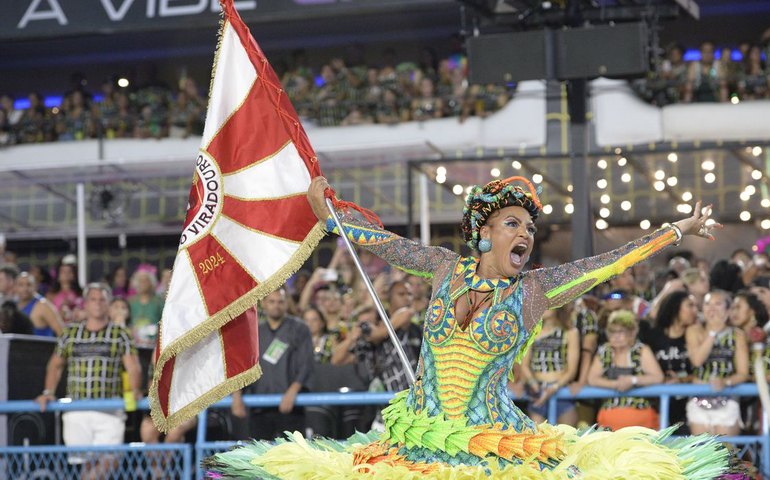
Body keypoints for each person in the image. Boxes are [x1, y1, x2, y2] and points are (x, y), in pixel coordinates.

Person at [207, 176, 732, 478]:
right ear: (483, 232)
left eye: (529, 228)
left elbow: (608, 263)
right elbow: (381, 242)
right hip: (412, 447)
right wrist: (328, 212)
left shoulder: (532, 290)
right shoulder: (441, 268)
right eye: (513, 224)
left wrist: (675, 232)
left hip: (492, 451)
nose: (525, 233)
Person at [36, 283, 142, 479]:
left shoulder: (120, 334)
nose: (98, 304)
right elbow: (55, 365)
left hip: (109, 407)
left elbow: (133, 366)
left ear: (109, 303)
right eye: (93, 299)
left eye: (102, 299)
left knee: (112, 458)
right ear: (85, 303)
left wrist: (135, 389)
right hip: (77, 408)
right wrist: (47, 392)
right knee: (87, 463)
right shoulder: (70, 333)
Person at [232, 289, 314, 440]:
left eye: (281, 302)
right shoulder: (254, 331)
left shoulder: (300, 329)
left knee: (293, 456)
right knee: (260, 457)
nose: (276, 305)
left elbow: (306, 364)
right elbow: (241, 365)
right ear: (263, 304)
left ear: (286, 304)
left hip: (291, 407)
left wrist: (292, 392)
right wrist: (236, 396)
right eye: (272, 301)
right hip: (259, 407)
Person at [587, 310, 664, 431]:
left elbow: (658, 377)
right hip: (609, 416)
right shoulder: (605, 351)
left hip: (640, 415)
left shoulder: (641, 350)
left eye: (621, 332)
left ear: (632, 333)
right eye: (612, 332)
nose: (616, 336)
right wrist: (615, 384)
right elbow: (592, 378)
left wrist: (632, 380)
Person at [686, 290, 749, 436]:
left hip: (727, 397)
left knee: (725, 453)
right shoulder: (693, 331)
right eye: (707, 304)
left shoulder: (737, 335)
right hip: (698, 398)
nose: (711, 308)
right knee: (702, 454)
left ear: (728, 310)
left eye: (718, 304)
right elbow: (697, 361)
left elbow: (743, 373)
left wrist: (725, 382)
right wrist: (713, 333)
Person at [520, 307, 579, 425]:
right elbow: (524, 365)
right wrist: (533, 384)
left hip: (561, 390)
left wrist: (554, 387)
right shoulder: (531, 331)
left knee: (567, 438)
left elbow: (571, 370)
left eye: (547, 304)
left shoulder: (570, 332)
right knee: (539, 439)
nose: (543, 307)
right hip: (537, 390)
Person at [14, 272, 63, 337]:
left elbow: (62, 332)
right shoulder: (14, 306)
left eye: (29, 285)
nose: (25, 289)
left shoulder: (43, 306)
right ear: (15, 287)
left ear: (35, 286)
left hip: (43, 346)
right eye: (21, 285)